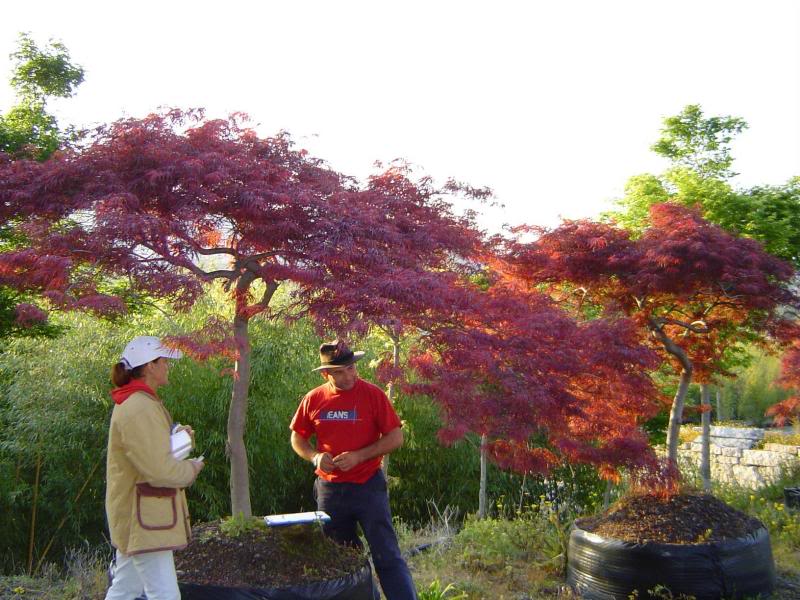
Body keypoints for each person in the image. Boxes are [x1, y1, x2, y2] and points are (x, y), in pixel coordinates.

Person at [290, 339, 417, 600]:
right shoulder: (314, 399)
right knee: (342, 559)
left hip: (368, 485)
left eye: (351, 368)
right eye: (340, 371)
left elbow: (396, 437)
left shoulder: (373, 395)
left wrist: (360, 456)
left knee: (387, 554)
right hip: (330, 490)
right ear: (326, 374)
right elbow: (297, 438)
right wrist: (315, 457)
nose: (349, 375)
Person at [104, 336, 204, 600]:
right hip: (145, 517)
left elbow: (146, 455)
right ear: (150, 366)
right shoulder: (140, 407)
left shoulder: (137, 402)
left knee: (125, 590)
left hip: (138, 512)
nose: (167, 367)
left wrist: (176, 437)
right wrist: (191, 469)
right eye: (164, 362)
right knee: (164, 594)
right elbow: (159, 470)